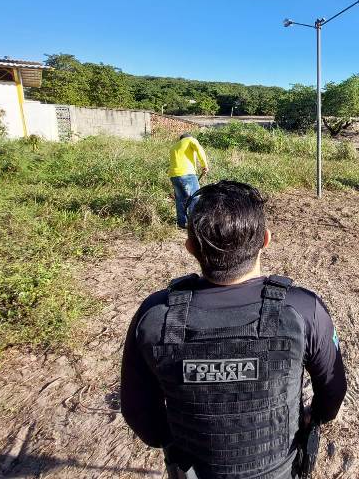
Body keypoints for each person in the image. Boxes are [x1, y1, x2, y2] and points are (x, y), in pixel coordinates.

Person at [121, 181, 347, 479]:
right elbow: (332, 392)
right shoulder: (304, 309)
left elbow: (138, 413)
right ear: (266, 240)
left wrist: (174, 440)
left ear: (190, 247)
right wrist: (312, 417)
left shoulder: (154, 315)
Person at [169, 133, 209, 229]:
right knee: (194, 198)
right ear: (190, 137)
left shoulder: (174, 147)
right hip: (187, 174)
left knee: (180, 200)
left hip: (174, 175)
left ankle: (182, 223)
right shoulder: (191, 140)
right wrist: (204, 165)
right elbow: (199, 150)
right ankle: (194, 224)